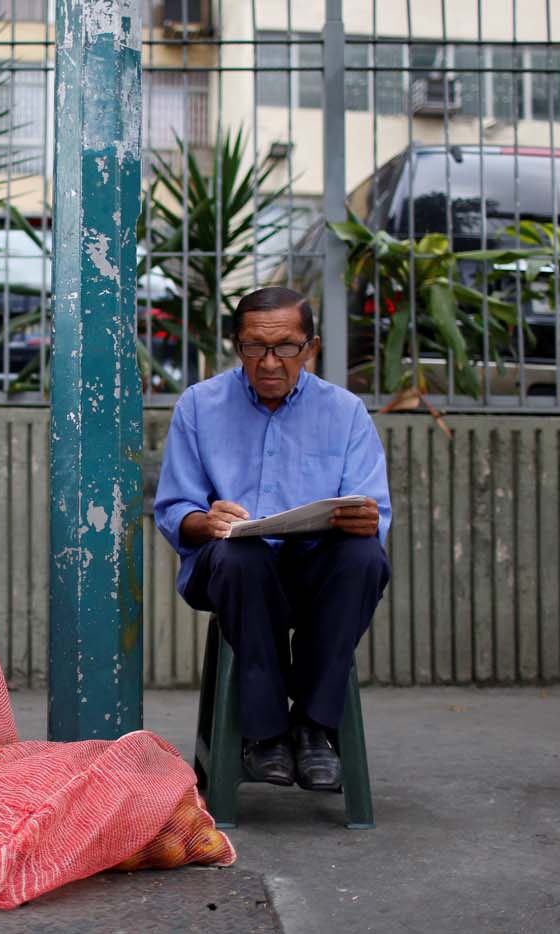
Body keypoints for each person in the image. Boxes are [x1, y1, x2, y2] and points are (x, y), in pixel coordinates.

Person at [154, 286, 391, 792]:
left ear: (311, 348)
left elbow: (374, 512)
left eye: (285, 347)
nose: (269, 362)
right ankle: (264, 734)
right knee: (243, 557)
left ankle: (313, 726)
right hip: (232, 572)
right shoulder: (200, 405)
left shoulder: (345, 412)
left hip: (316, 574)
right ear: (236, 346)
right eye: (254, 347)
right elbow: (174, 510)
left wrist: (361, 519)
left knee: (364, 556)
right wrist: (208, 520)